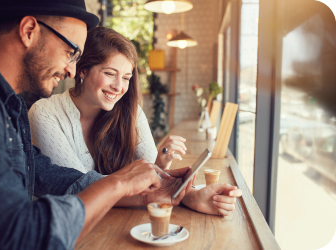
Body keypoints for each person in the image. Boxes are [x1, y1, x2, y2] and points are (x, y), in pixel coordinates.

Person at [0, 1, 200, 249]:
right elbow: (17, 233)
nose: (72, 72)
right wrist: (117, 184)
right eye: (71, 52)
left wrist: (149, 194)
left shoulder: (9, 104)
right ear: (29, 31)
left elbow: (56, 178)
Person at [28, 27, 242, 214]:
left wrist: (191, 195)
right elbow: (80, 189)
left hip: (112, 225)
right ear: (82, 70)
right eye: (110, 73)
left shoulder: (130, 111)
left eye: (126, 78)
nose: (119, 87)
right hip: (64, 232)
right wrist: (179, 193)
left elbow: (154, 179)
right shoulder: (44, 113)